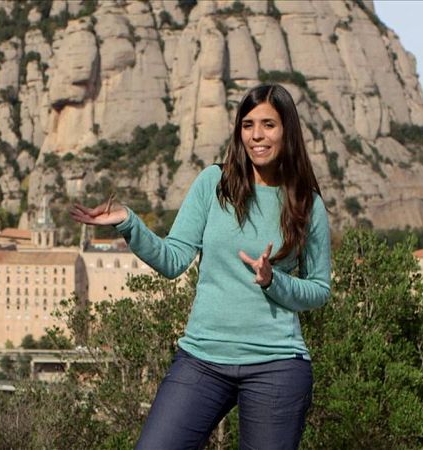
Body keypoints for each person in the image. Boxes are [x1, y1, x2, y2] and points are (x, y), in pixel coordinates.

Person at [70, 84, 331, 450]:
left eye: (269, 124)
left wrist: (275, 281)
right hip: (202, 360)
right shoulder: (214, 184)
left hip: (277, 365)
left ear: (287, 129)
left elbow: (320, 289)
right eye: (248, 124)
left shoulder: (307, 202)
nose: (257, 135)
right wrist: (129, 221)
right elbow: (173, 259)